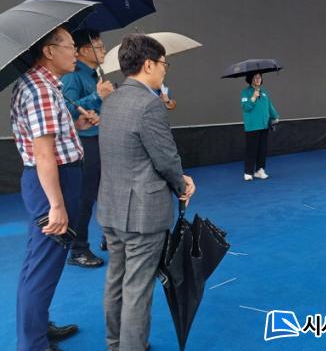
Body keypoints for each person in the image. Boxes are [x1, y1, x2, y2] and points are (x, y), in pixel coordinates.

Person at [97, 34, 196, 351]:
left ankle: (115, 344)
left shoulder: (111, 100)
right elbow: (166, 159)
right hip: (142, 214)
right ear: (149, 64)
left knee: (116, 280)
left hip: (111, 208)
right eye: (164, 63)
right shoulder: (150, 105)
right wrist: (182, 184)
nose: (166, 69)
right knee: (138, 288)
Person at [10, 26, 98, 351]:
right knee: (43, 267)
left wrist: (76, 125)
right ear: (49, 51)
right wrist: (56, 205)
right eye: (70, 46)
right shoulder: (41, 90)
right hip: (53, 181)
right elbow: (44, 154)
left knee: (38, 263)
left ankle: (36, 328)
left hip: (52, 178)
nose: (75, 52)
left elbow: (48, 139)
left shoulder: (41, 85)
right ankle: (33, 344)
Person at [61, 29, 114, 268]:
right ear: (83, 50)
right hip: (85, 144)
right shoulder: (72, 77)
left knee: (107, 193)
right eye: (99, 47)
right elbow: (65, 110)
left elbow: (93, 110)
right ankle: (78, 249)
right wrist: (96, 96)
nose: (103, 51)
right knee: (85, 197)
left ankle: (109, 237)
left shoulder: (95, 75)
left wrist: (102, 107)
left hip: (100, 140)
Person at [240, 72, 279, 181]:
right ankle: (248, 172)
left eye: (259, 77)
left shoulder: (264, 92)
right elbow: (246, 107)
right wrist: (253, 97)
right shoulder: (245, 92)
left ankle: (260, 170)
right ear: (250, 79)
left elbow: (269, 106)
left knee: (262, 150)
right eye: (255, 77)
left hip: (264, 125)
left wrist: (275, 116)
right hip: (252, 126)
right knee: (251, 150)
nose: (258, 79)